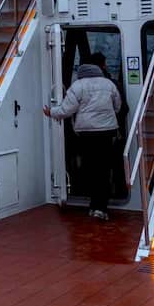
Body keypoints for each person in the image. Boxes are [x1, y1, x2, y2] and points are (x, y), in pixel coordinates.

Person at [43, 56, 122, 220]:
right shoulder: (109, 84)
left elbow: (66, 110)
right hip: (108, 132)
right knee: (104, 170)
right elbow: (118, 106)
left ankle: (94, 206)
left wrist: (51, 112)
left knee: (91, 169)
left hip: (87, 133)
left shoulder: (77, 86)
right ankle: (101, 208)